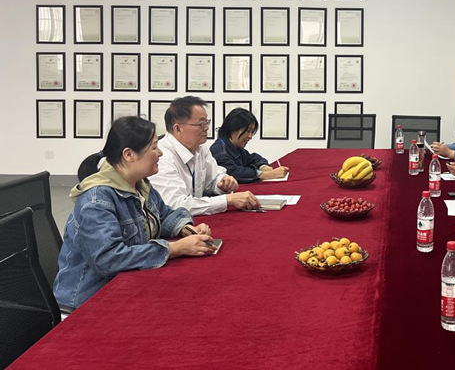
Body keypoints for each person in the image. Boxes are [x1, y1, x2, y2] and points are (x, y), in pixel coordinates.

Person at [54, 116, 217, 309]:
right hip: (91, 300)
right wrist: (175, 249)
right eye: (154, 147)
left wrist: (187, 229)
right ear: (129, 155)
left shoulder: (140, 184)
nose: (160, 153)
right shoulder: (96, 201)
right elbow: (109, 259)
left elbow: (164, 214)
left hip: (127, 284)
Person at [149, 96, 260, 215]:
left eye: (207, 122)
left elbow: (213, 178)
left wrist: (222, 183)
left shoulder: (200, 149)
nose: (206, 128)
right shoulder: (161, 157)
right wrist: (226, 200)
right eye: (201, 124)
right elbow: (176, 205)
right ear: (178, 128)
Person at [210, 107, 289, 183]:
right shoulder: (219, 151)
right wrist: (265, 175)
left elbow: (253, 158)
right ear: (233, 128)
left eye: (252, 132)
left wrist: (264, 167)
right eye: (248, 131)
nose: (250, 136)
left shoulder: (236, 148)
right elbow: (234, 173)